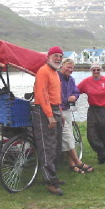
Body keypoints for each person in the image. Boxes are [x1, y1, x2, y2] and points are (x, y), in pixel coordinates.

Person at [31, 46, 65, 196]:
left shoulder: (55, 73)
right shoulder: (43, 71)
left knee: (56, 146)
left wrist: (60, 113)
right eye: (55, 55)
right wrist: (50, 115)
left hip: (55, 109)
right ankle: (49, 182)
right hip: (44, 111)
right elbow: (42, 94)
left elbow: (55, 95)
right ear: (48, 57)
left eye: (60, 56)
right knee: (47, 147)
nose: (58, 58)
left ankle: (53, 176)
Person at [58, 58, 94, 174]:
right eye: (68, 67)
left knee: (70, 137)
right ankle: (77, 162)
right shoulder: (56, 77)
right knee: (67, 137)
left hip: (67, 110)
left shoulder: (71, 80)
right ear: (62, 66)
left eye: (72, 68)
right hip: (58, 110)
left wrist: (74, 96)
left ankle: (72, 164)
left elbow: (76, 91)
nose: (70, 70)